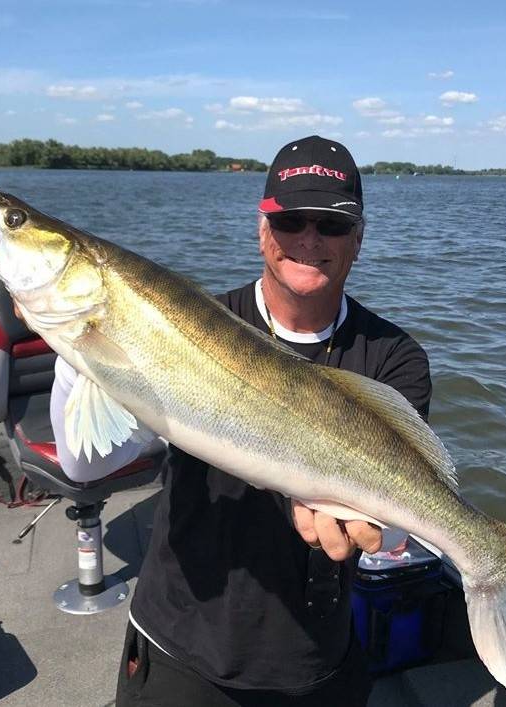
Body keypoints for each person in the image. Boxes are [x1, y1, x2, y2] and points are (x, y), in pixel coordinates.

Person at [50, 135, 432, 706]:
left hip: (316, 657)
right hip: (183, 642)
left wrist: (382, 526)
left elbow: (401, 514)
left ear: (358, 238)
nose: (308, 239)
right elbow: (86, 462)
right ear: (262, 229)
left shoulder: (393, 358)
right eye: (290, 220)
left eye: (330, 225)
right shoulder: (191, 322)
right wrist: (84, 349)